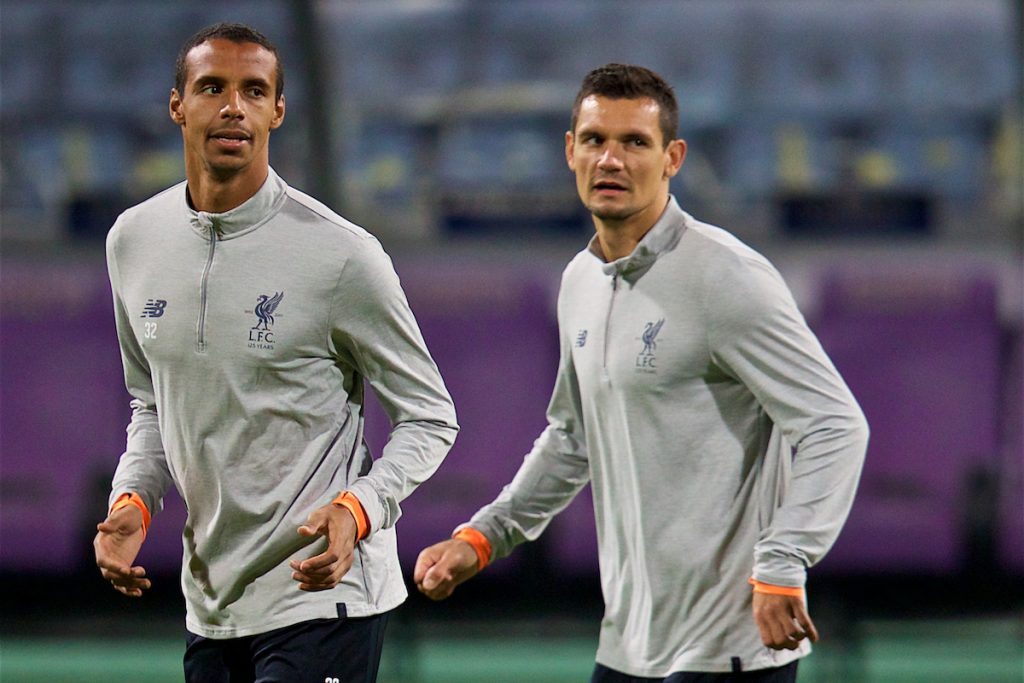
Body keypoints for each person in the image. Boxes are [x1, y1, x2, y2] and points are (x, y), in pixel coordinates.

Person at [414, 64, 868, 682]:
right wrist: (486, 536)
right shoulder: (579, 281)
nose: (612, 159)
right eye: (596, 139)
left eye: (635, 142)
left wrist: (784, 560)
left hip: (728, 647)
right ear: (570, 150)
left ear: (672, 157)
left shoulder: (726, 277)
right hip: (629, 646)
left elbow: (834, 425)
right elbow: (574, 438)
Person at [93, 23, 458, 682]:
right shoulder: (133, 242)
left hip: (323, 595)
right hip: (212, 603)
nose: (233, 106)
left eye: (253, 91)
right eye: (212, 87)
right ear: (178, 105)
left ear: (277, 111)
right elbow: (153, 404)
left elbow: (430, 416)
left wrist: (359, 508)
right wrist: (131, 503)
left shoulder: (341, 255)